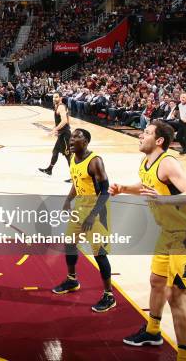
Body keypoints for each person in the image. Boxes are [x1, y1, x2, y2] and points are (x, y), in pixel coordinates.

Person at [109, 121, 186, 361]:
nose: (141, 135)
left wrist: (164, 201)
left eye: (147, 133)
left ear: (159, 141)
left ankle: (184, 356)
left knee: (177, 296)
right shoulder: (147, 162)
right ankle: (152, 331)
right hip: (167, 232)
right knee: (156, 281)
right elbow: (147, 187)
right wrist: (124, 188)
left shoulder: (168, 163)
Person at [54, 128, 116, 312]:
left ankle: (109, 295)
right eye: (71, 137)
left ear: (86, 142)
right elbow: (76, 182)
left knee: (99, 253)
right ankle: (72, 280)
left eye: (76, 137)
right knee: (70, 244)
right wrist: (67, 201)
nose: (72, 139)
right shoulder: (73, 159)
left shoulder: (95, 161)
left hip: (97, 210)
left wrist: (92, 215)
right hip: (80, 206)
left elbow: (105, 191)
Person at [39, 92, 72, 181]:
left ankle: (74, 176)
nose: (54, 99)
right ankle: (49, 170)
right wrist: (55, 128)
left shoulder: (61, 107)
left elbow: (65, 121)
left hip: (65, 135)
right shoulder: (57, 106)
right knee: (55, 151)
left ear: (60, 98)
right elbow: (62, 121)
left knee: (68, 155)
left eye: (56, 97)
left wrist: (55, 129)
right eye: (53, 97)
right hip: (62, 134)